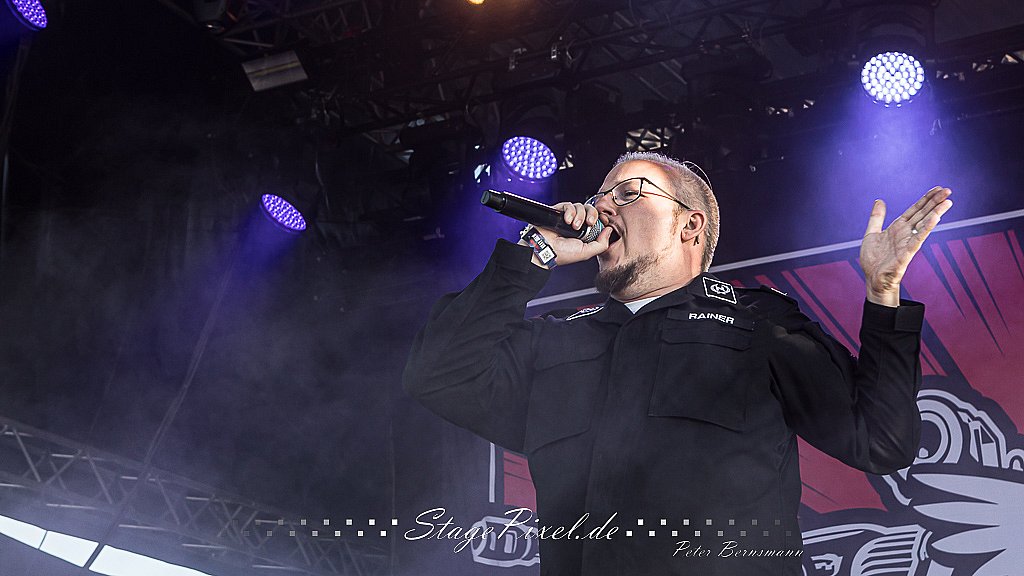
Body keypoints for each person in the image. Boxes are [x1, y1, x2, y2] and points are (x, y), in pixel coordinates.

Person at [402, 151, 953, 575]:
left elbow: (880, 442)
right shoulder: (557, 339)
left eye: (628, 193)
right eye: (599, 196)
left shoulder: (758, 323)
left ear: (689, 225)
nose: (602, 208)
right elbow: (439, 374)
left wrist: (884, 294)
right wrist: (533, 256)